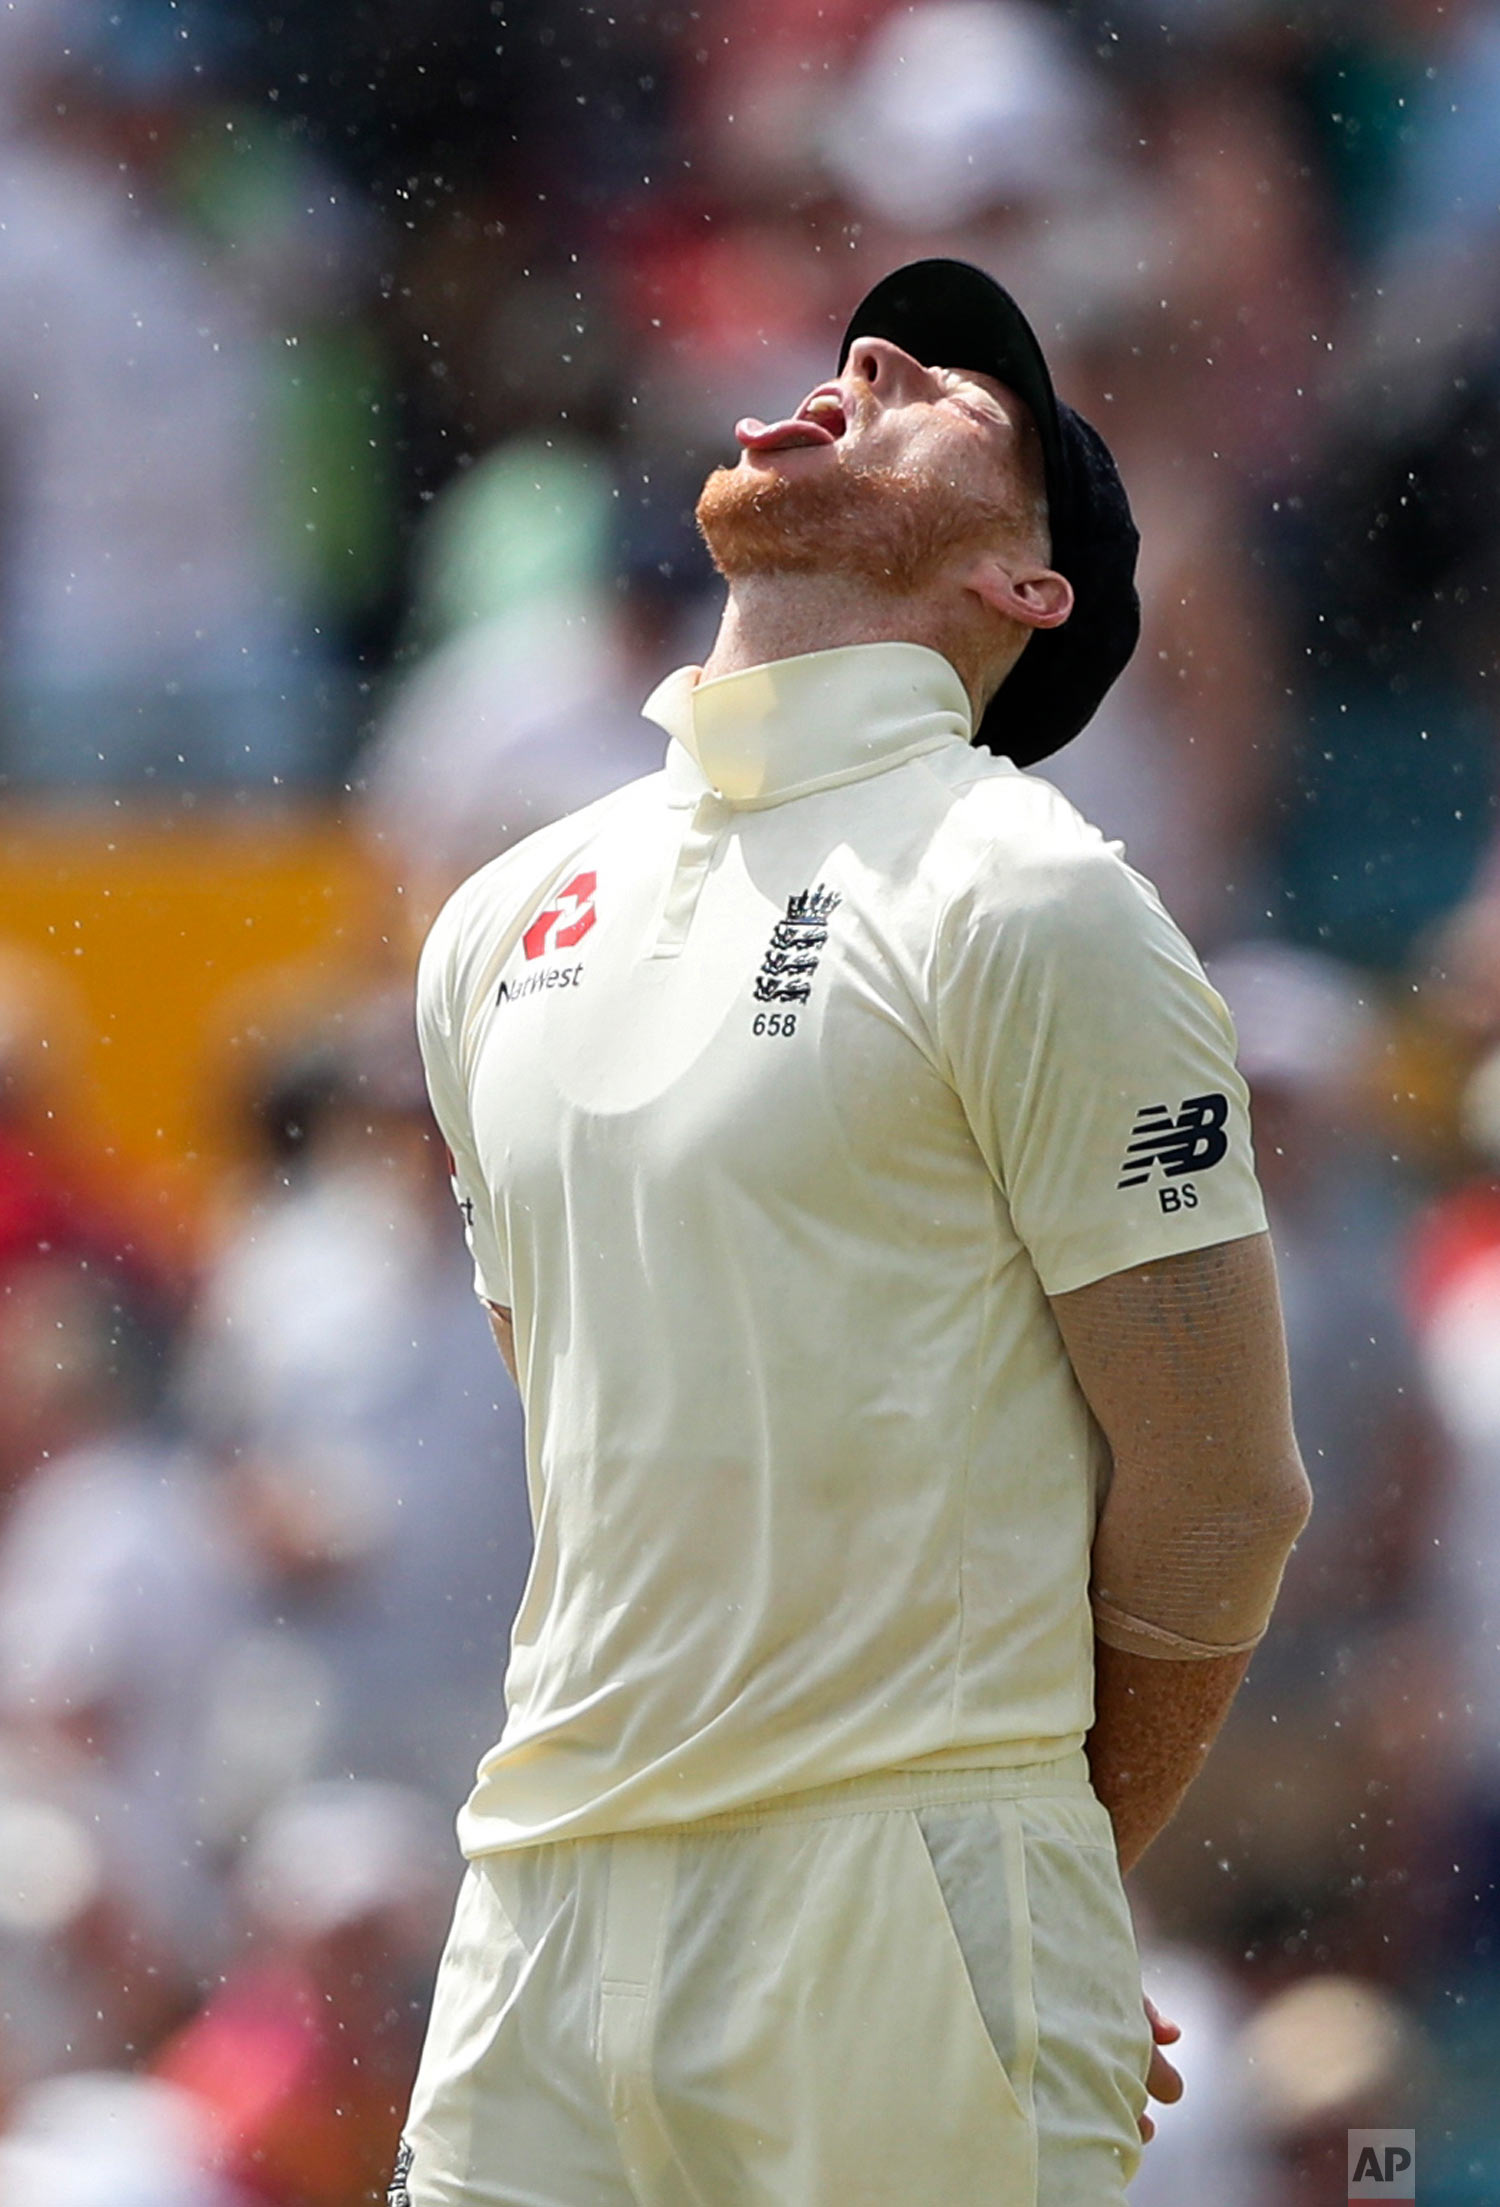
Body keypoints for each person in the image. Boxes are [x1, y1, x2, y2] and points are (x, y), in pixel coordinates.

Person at [400, 258, 1312, 2207]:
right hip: (539, 1921)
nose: (867, 356)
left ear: (1028, 586)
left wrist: (1040, 1870)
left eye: (945, 392)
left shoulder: (1034, 897)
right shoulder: (494, 922)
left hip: (909, 1905)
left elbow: (1224, 1498)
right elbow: (598, 1429)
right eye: (858, 351)